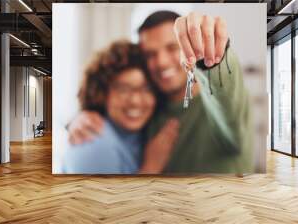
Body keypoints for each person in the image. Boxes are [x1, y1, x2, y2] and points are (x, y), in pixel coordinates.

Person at [67, 11, 253, 174]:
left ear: (187, 46)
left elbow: (226, 94)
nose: (162, 62)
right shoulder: (153, 105)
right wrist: (80, 117)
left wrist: (211, 55)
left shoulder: (221, 109)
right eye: (150, 54)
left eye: (172, 48)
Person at [62, 40, 179, 174]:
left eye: (146, 88)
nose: (135, 101)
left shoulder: (146, 132)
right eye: (123, 89)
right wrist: (151, 168)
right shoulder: (93, 142)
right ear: (103, 94)